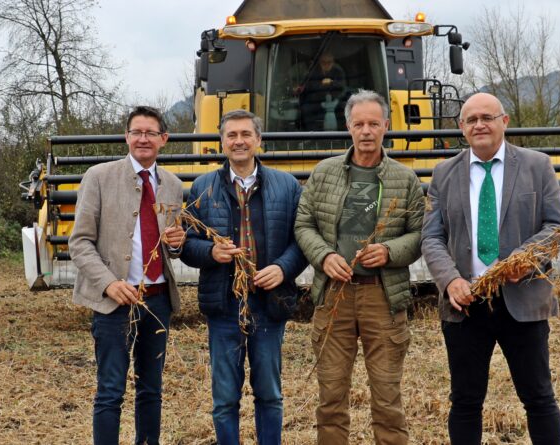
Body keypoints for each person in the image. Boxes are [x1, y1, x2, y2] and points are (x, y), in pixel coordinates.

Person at [421, 92, 560, 445]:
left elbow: (556, 226)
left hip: (522, 299)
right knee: (466, 401)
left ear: (505, 122)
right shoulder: (444, 173)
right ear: (461, 128)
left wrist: (521, 260)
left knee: (538, 397)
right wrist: (450, 280)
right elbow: (431, 237)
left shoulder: (537, 166)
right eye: (471, 120)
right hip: (465, 304)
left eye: (487, 117)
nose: (479, 125)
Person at [295, 89, 425, 445]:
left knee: (387, 397)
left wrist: (389, 251)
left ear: (386, 125)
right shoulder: (324, 173)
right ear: (348, 127)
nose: (366, 131)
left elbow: (419, 235)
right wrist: (324, 256)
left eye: (373, 123)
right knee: (331, 397)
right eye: (358, 124)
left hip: (382, 297)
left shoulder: (405, 179)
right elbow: (303, 224)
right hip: (334, 297)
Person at [179, 109, 307, 444]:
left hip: (269, 305)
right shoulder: (203, 188)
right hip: (224, 307)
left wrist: (282, 268)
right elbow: (187, 245)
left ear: (258, 140)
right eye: (231, 135)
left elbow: (303, 240)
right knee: (224, 400)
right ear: (221, 141)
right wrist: (210, 253)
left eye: (246, 134)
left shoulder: (287, 186)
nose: (239, 141)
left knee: (269, 395)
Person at [69, 105, 185, 445]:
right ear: (126, 137)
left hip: (157, 301)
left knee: (152, 390)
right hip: (113, 303)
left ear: (164, 139)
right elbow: (80, 243)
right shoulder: (99, 177)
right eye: (136, 132)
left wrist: (177, 245)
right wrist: (108, 283)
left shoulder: (174, 186)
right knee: (110, 390)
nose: (143, 138)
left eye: (151, 133)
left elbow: (170, 247)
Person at [298, 51, 346, 131]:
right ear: (319, 62)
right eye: (323, 62)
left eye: (329, 62)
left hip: (336, 100)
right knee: (305, 109)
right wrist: (321, 84)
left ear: (333, 62)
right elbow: (310, 87)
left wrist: (331, 82)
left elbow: (342, 87)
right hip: (318, 100)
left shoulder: (338, 70)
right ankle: (311, 134)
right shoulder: (313, 72)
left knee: (348, 109)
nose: (326, 65)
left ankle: (344, 135)